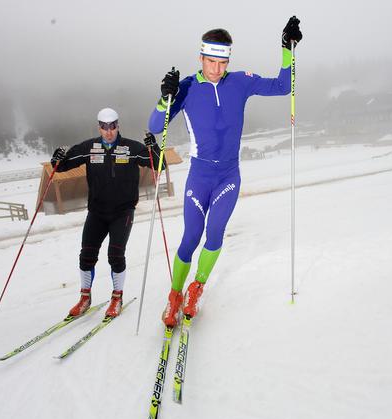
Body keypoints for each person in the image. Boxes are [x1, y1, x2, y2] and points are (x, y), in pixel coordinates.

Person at [149, 17, 303, 327]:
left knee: (215, 233)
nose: (217, 69)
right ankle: (175, 294)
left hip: (228, 177)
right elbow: (155, 127)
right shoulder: (187, 88)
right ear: (201, 58)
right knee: (191, 236)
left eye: (222, 62)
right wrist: (165, 96)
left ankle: (196, 288)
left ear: (228, 60)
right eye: (211, 62)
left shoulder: (240, 82)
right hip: (199, 177)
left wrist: (287, 48)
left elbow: (284, 86)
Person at [51, 108, 164, 318]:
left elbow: (160, 164)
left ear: (118, 125)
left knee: (115, 255)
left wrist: (153, 147)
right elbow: (60, 167)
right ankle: (85, 297)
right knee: (86, 255)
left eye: (112, 126)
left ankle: (116, 297)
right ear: (99, 127)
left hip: (123, 212)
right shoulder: (89, 148)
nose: (109, 131)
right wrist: (56, 159)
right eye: (104, 127)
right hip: (97, 212)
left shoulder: (131, 147)